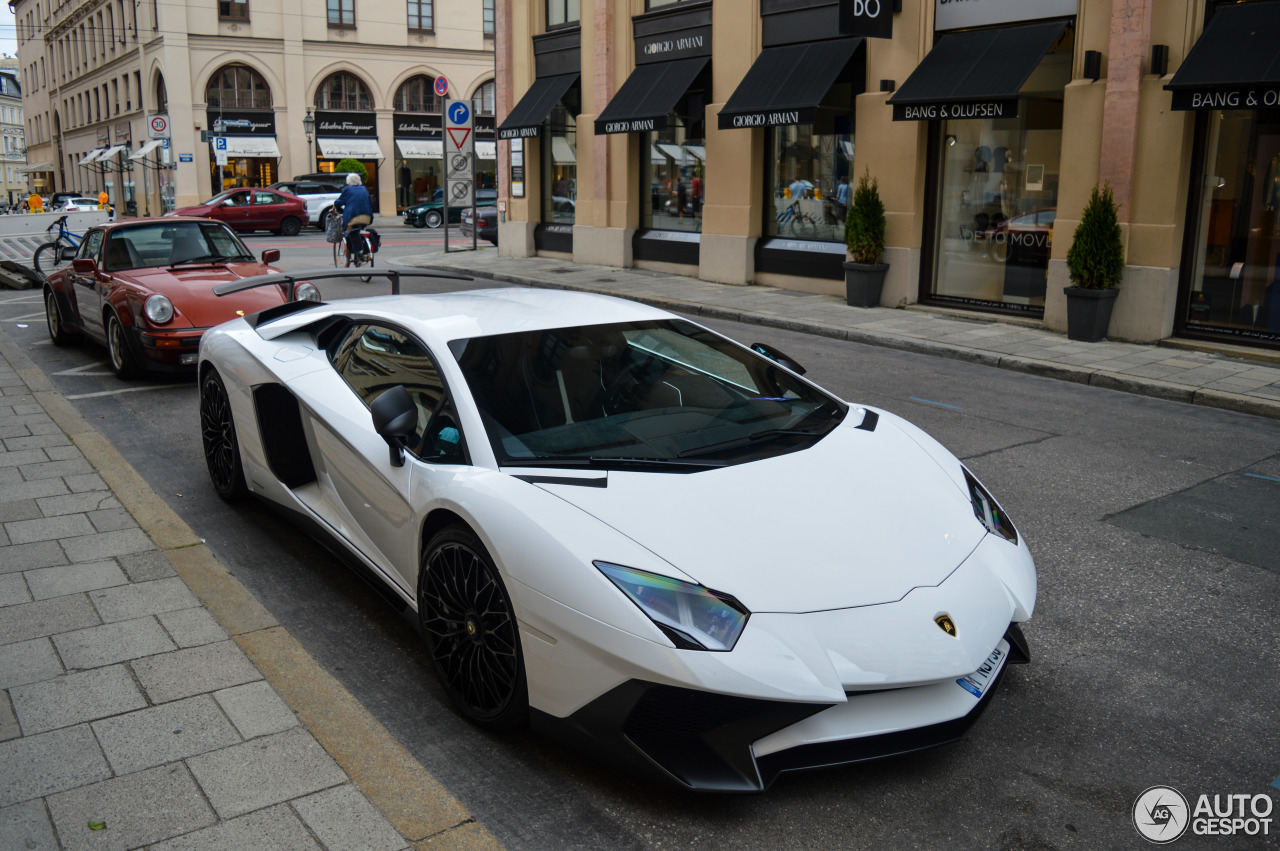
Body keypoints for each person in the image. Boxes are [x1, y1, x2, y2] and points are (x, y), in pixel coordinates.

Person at [334, 173, 373, 266]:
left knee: (347, 237)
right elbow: (370, 202)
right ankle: (362, 254)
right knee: (360, 233)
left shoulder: (348, 189)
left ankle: (347, 263)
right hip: (367, 218)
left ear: (348, 181)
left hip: (353, 219)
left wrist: (333, 209)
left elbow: (339, 202)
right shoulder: (364, 189)